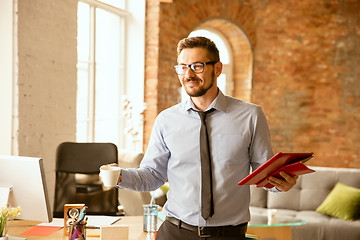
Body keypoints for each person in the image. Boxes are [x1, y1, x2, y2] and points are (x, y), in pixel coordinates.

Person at [116, 36, 298, 240]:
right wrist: (118, 176)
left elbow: (264, 172)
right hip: (175, 233)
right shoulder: (166, 120)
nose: (188, 74)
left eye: (197, 66)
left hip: (229, 235)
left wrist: (281, 184)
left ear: (218, 69)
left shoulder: (251, 116)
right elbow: (152, 176)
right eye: (182, 67)